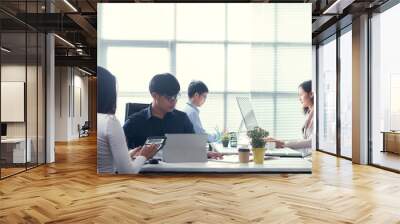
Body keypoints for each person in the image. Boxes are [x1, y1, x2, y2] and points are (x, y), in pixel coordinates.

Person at [123, 73, 222, 159]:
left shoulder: (182, 119)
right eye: (169, 97)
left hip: (178, 174)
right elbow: (119, 155)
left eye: (176, 96)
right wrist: (134, 153)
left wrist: (203, 153)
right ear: (155, 95)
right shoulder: (134, 122)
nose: (174, 101)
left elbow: (193, 148)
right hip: (146, 176)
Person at [97, 66, 158, 174]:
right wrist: (144, 155)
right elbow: (127, 172)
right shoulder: (110, 122)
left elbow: (105, 160)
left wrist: (128, 154)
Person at [266, 80, 314, 149]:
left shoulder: (318, 115)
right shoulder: (309, 113)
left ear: (311, 94)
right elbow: (305, 140)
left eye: (301, 95)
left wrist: (283, 144)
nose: (299, 99)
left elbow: (311, 142)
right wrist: (279, 142)